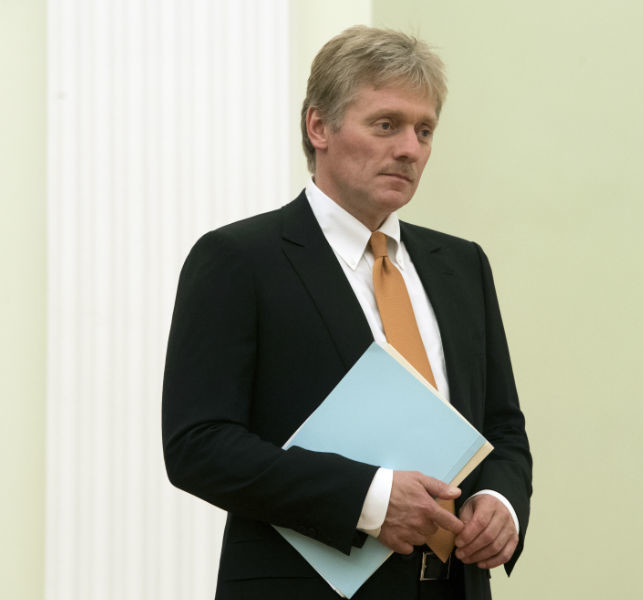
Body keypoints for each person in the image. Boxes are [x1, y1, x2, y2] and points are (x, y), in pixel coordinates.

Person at [162, 25, 532, 600]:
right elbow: (199, 445)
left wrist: (501, 502)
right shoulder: (239, 259)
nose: (410, 148)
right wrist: (370, 500)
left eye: (424, 130)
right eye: (386, 124)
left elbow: (502, 426)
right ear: (319, 127)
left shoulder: (462, 266)